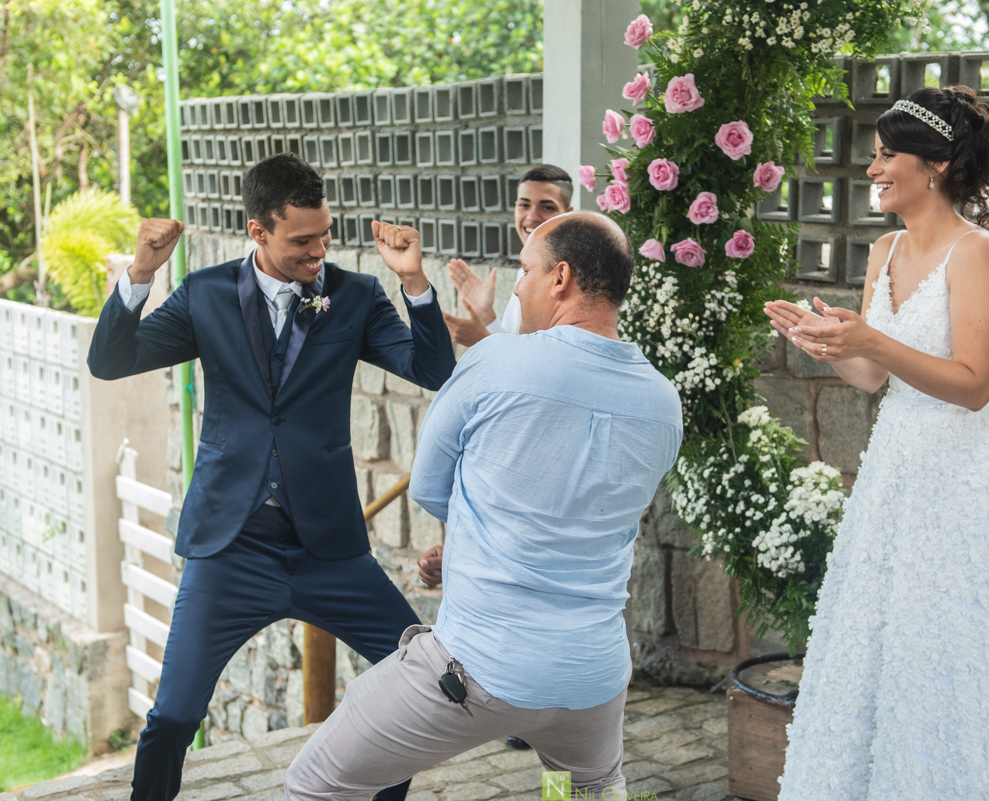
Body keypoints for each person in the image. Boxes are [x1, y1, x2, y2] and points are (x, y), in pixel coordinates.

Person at [88, 153, 456, 801]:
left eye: (325, 235)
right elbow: (111, 360)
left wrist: (414, 281)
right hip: (230, 548)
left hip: (329, 549)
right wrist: (141, 272)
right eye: (301, 241)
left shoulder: (355, 296)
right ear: (258, 232)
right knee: (172, 715)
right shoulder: (204, 295)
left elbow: (430, 369)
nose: (319, 251)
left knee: (414, 678)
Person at [284, 212, 683, 800]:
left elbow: (429, 486)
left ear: (560, 278)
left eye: (525, 270)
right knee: (583, 788)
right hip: (592, 678)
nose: (517, 287)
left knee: (316, 780)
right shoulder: (664, 401)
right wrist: (480, 545)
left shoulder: (496, 362)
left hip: (479, 672)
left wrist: (478, 543)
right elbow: (600, 519)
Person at [765, 86, 989, 799]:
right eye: (873, 156)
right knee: (886, 643)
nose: (872, 169)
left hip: (970, 474)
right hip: (897, 474)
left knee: (956, 644)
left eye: (886, 155)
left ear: (935, 165)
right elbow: (875, 375)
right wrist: (828, 346)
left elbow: (974, 383)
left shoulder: (979, 255)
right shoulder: (884, 250)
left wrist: (869, 334)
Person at [441, 164, 574, 345]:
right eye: (524, 205)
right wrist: (486, 314)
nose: (531, 216)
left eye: (547, 208)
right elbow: (512, 342)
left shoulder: (568, 279)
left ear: (567, 215)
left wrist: (480, 340)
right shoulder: (526, 270)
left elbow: (544, 364)